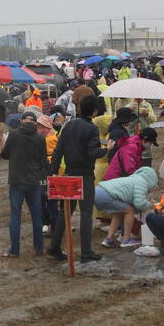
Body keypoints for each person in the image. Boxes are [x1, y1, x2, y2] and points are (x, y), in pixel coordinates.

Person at [48, 95, 108, 263]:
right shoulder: (91, 128)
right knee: (86, 214)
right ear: (95, 111)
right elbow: (92, 152)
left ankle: (54, 246)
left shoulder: (68, 125)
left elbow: (58, 150)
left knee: (65, 211)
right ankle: (86, 252)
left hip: (69, 173)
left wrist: (53, 171)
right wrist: (107, 149)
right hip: (85, 175)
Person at [0, 111, 48, 257]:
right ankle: (39, 248)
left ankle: (14, 250)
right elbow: (43, 161)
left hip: (17, 180)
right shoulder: (40, 137)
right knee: (37, 217)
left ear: (21, 121)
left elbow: (5, 154)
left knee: (15, 217)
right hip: (34, 182)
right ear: (34, 123)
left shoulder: (13, 135)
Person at [96, 166, 157, 248]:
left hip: (98, 191)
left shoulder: (133, 179)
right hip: (106, 194)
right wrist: (150, 204)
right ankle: (126, 240)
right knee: (129, 211)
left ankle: (108, 239)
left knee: (119, 212)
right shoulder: (142, 183)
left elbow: (132, 199)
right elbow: (139, 203)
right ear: (152, 180)